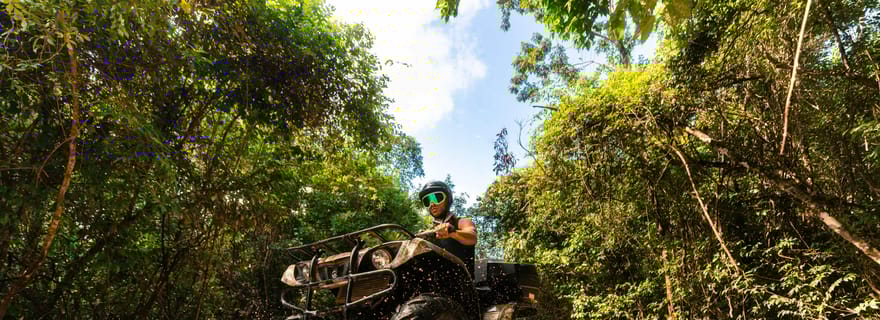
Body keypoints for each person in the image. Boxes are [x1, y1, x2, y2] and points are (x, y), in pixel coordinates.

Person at [418, 181, 478, 278]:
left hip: (461, 283)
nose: (432, 204)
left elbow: (472, 237)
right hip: (431, 284)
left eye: (436, 198)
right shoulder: (428, 233)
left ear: (447, 200)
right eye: (427, 201)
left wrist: (452, 232)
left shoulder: (462, 222)